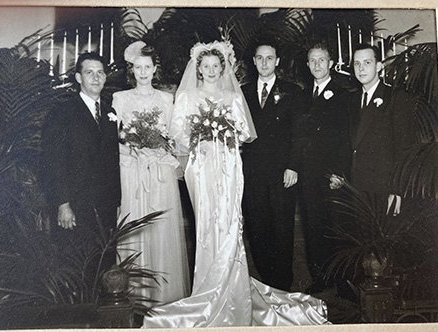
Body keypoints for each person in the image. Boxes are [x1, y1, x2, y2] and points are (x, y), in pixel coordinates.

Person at [141, 41, 329, 328]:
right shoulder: (188, 96)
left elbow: (244, 132)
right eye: (206, 67)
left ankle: (234, 285)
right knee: (206, 222)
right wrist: (200, 138)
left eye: (217, 66)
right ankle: (207, 286)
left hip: (229, 167)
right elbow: (177, 131)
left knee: (230, 222)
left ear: (223, 67)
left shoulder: (233, 96)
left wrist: (222, 131)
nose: (212, 71)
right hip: (202, 168)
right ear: (199, 70)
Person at [111, 41, 190, 304]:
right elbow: (113, 139)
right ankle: (135, 297)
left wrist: (159, 149)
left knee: (161, 227)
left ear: (155, 69)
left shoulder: (167, 99)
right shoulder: (120, 99)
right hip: (132, 172)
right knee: (135, 228)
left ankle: (166, 296)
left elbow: (175, 138)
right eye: (137, 67)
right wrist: (133, 149)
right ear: (131, 70)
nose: (143, 72)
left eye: (147, 67)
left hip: (160, 172)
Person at [42, 52, 121, 282]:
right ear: (78, 78)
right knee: (77, 270)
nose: (96, 78)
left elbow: (112, 161)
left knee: (104, 268)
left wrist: (116, 201)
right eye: (89, 73)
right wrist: (62, 203)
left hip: (105, 207)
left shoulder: (110, 112)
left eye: (100, 72)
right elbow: (53, 162)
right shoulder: (61, 112)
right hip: (76, 206)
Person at [241, 38, 304, 291]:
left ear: (277, 61)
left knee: (282, 227)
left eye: (270, 58)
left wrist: (293, 166)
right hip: (253, 172)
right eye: (260, 58)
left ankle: (282, 284)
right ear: (254, 61)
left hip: (282, 172)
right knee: (257, 227)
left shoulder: (293, 91)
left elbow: (300, 134)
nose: (265, 63)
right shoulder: (243, 92)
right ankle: (265, 282)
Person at [335, 44, 416, 214]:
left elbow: (404, 149)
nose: (361, 68)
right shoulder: (351, 101)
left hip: (383, 188)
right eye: (357, 64)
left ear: (379, 66)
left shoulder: (396, 97)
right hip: (355, 188)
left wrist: (397, 190)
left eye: (367, 62)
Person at [299, 43, 350, 294]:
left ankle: (343, 282)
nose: (317, 65)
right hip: (309, 174)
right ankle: (320, 278)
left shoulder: (342, 93)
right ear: (307, 65)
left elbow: (345, 136)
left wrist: (339, 173)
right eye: (312, 60)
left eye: (322, 60)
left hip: (332, 174)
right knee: (313, 227)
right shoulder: (303, 95)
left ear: (331, 63)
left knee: (337, 227)